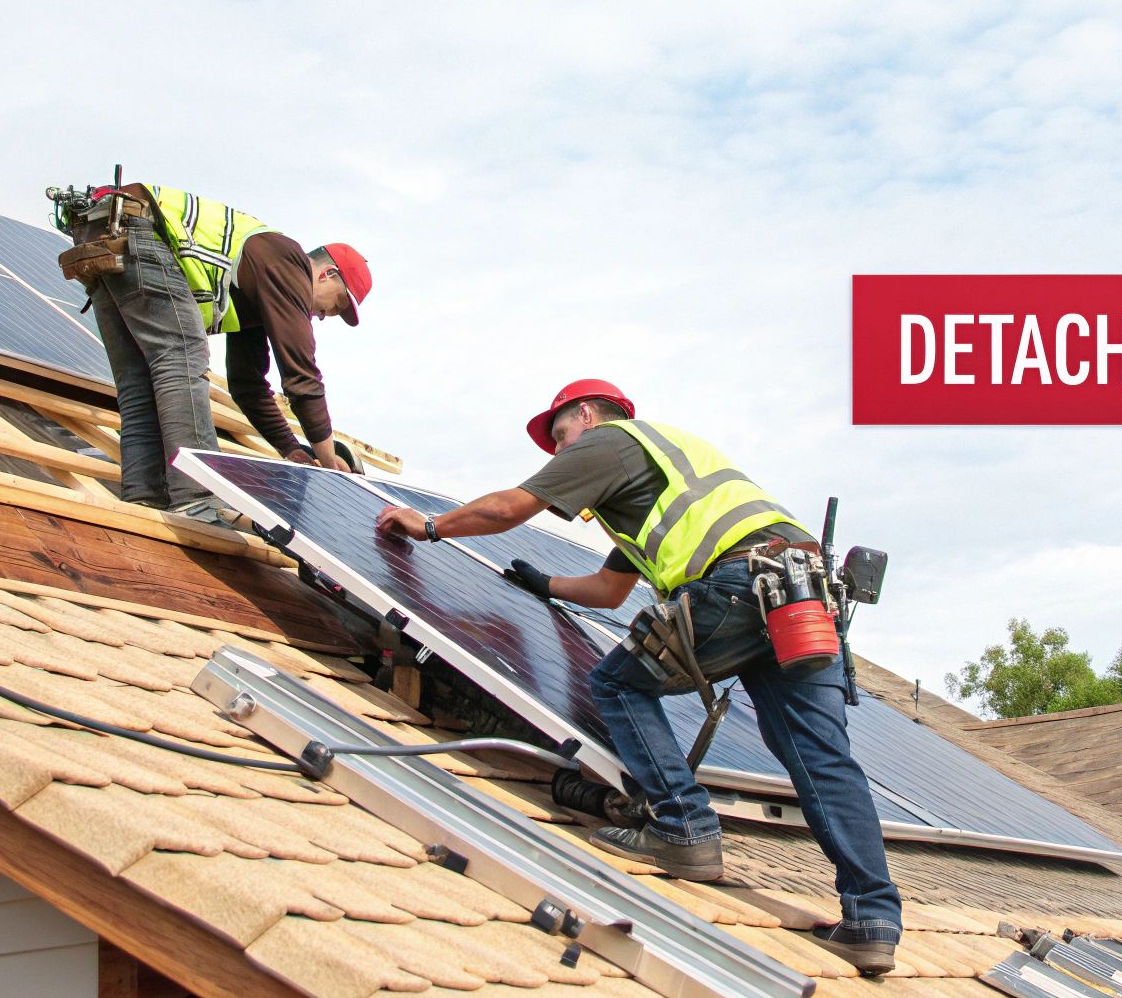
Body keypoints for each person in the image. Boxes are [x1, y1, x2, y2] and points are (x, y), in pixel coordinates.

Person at [373, 378, 902, 974]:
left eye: (560, 434)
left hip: (738, 584)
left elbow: (508, 508)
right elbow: (608, 589)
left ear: (588, 415)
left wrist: (431, 527)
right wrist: (542, 584)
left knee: (619, 683)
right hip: (798, 598)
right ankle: (873, 920)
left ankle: (684, 826)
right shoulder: (660, 480)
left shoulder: (608, 444)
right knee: (822, 758)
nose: (557, 452)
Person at [62, 182, 369, 519]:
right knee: (181, 360)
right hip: (139, 228)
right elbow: (302, 377)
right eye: (336, 305)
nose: (324, 316)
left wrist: (291, 449)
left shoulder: (260, 287)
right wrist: (329, 462)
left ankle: (143, 498)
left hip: (105, 235)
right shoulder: (285, 260)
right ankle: (197, 497)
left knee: (140, 381)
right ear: (327, 274)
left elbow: (247, 385)